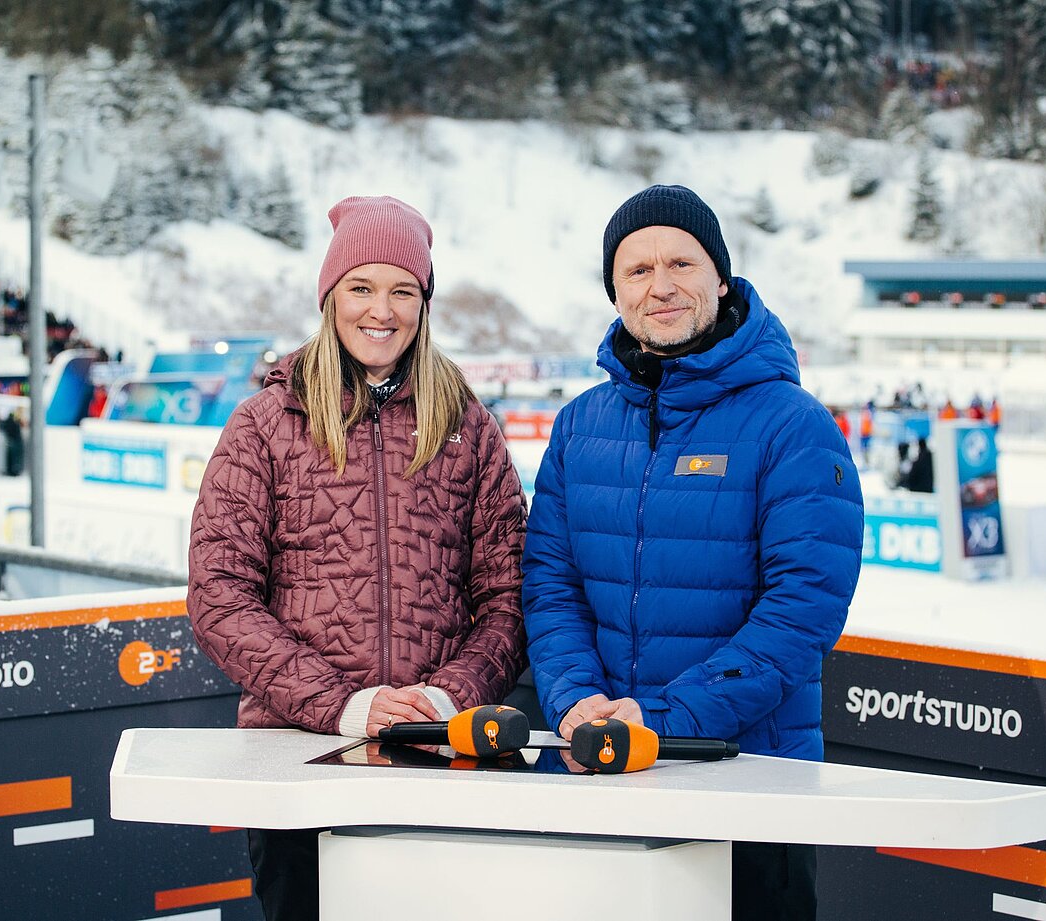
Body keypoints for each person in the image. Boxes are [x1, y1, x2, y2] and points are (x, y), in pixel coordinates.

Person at [522, 185, 863, 921]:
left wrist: (663, 718)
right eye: (637, 270)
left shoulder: (793, 425)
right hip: (599, 770)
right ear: (614, 292)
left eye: (681, 261)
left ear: (721, 278)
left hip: (747, 785)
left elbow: (801, 611)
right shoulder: (581, 424)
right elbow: (551, 586)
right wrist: (576, 703)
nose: (661, 285)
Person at [187, 195, 527, 921]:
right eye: (361, 287)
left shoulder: (467, 426)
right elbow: (220, 594)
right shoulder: (265, 423)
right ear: (330, 297)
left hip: (437, 753)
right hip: (297, 755)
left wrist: (447, 698)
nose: (383, 309)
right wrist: (343, 704)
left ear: (424, 303)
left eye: (403, 289)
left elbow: (510, 597)